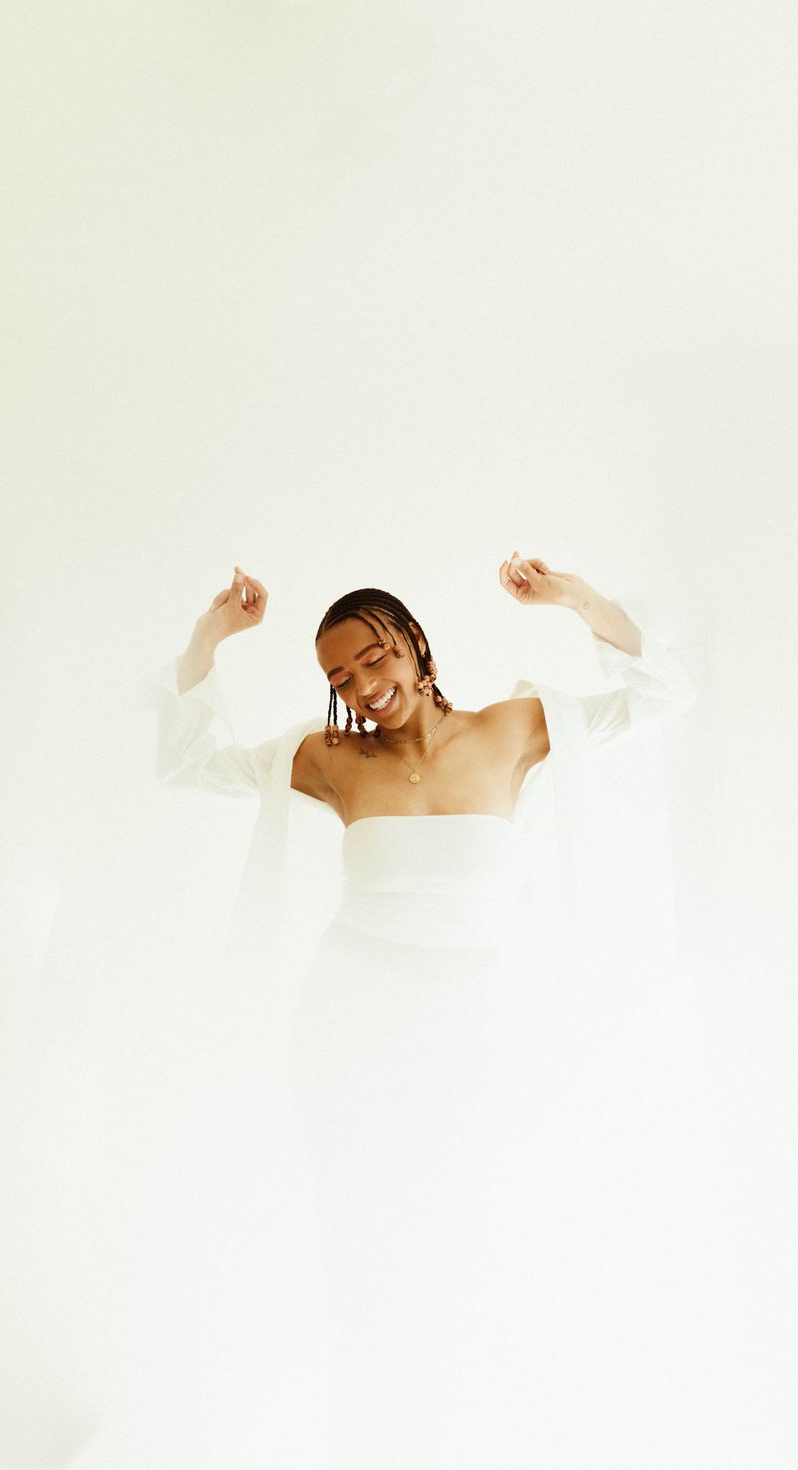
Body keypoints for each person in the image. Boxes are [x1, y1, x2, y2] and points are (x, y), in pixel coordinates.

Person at [136, 554, 704, 1470]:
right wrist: (211, 638)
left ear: (415, 645)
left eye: (373, 658)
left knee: (453, 1230)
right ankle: (366, 1433)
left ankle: (442, 1428)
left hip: (470, 1023)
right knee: (358, 1231)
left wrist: (570, 601)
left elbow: (661, 689)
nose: (364, 687)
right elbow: (190, 763)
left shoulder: (517, 728)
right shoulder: (328, 759)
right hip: (350, 1017)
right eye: (340, 678)